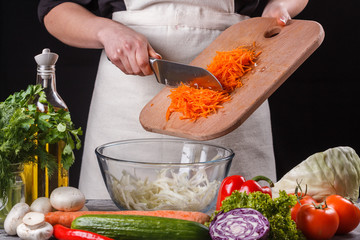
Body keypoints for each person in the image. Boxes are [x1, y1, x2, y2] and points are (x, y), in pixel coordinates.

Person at [38, 0, 308, 199]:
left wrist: (279, 7)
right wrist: (105, 31)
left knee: (238, 220)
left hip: (234, 85)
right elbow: (54, 9)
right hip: (128, 95)